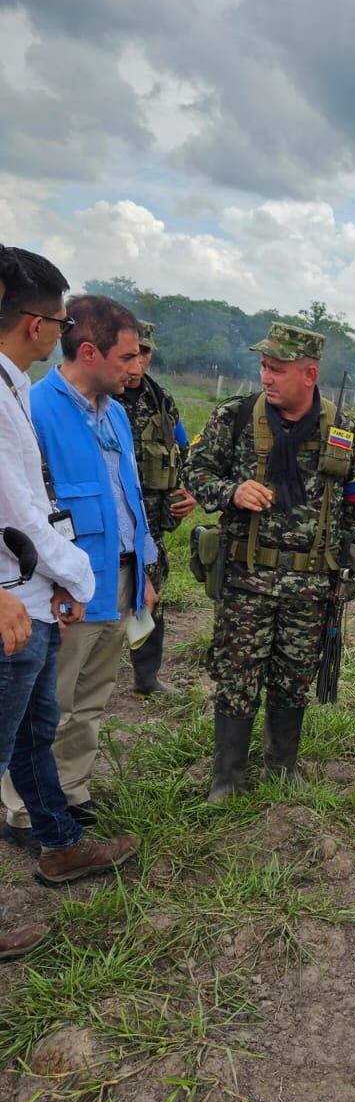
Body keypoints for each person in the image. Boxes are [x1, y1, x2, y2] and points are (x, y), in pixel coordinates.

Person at [187, 323, 355, 799]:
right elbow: (194, 469)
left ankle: (281, 767)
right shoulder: (234, 417)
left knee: (294, 678)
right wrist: (231, 491)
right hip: (246, 579)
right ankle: (228, 778)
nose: (266, 377)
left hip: (310, 587)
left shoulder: (344, 430)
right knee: (237, 674)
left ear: (309, 374)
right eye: (264, 367)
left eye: (278, 369)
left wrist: (336, 550)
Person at [0, 253, 140, 898]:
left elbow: (115, 498)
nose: (136, 368)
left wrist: (141, 568)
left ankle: (62, 831)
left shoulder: (103, 411)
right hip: (34, 592)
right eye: (56, 320)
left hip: (70, 581)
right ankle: (32, 821)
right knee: (25, 730)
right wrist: (73, 577)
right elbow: (22, 508)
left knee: (55, 718)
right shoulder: (27, 401)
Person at [118, 320, 196, 697]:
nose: (138, 361)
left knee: (150, 596)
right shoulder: (98, 395)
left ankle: (145, 679)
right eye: (132, 352)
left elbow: (183, 454)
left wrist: (188, 492)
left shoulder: (162, 401)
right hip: (108, 518)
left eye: (145, 352)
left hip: (151, 523)